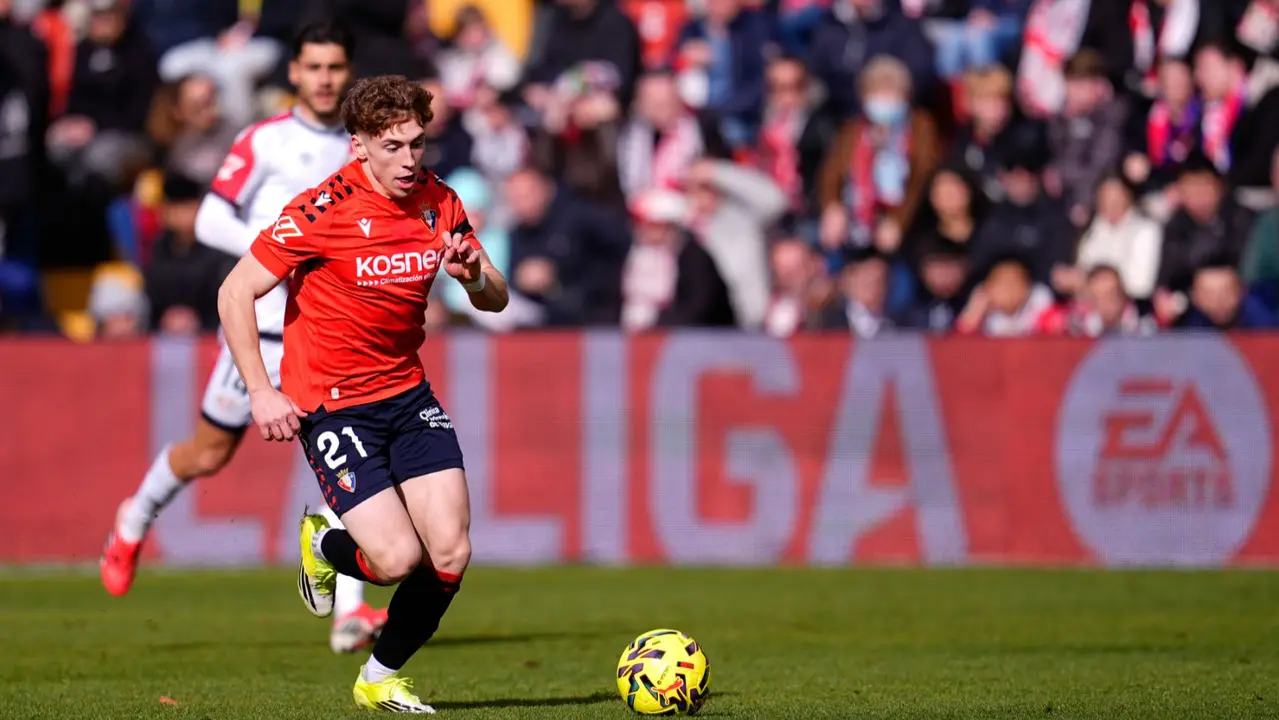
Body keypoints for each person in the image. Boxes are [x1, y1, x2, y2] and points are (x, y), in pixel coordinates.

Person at [216, 75, 509, 713]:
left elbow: (496, 298)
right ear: (359, 146)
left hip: (406, 392)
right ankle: (322, 543)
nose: (409, 160)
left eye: (418, 144)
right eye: (393, 146)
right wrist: (262, 392)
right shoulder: (321, 211)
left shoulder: (440, 201)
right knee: (399, 558)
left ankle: (378, 678)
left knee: (452, 552)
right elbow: (235, 292)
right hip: (332, 402)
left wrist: (474, 276)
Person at [99, 22, 390, 655]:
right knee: (207, 454)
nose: (324, 78)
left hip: (326, 333)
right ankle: (135, 517)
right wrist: (280, 256)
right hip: (259, 331)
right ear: (293, 73)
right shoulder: (265, 140)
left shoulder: (365, 146)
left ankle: (348, 614)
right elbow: (208, 217)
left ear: (349, 73)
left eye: (335, 67)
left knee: (350, 464)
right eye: (313, 67)